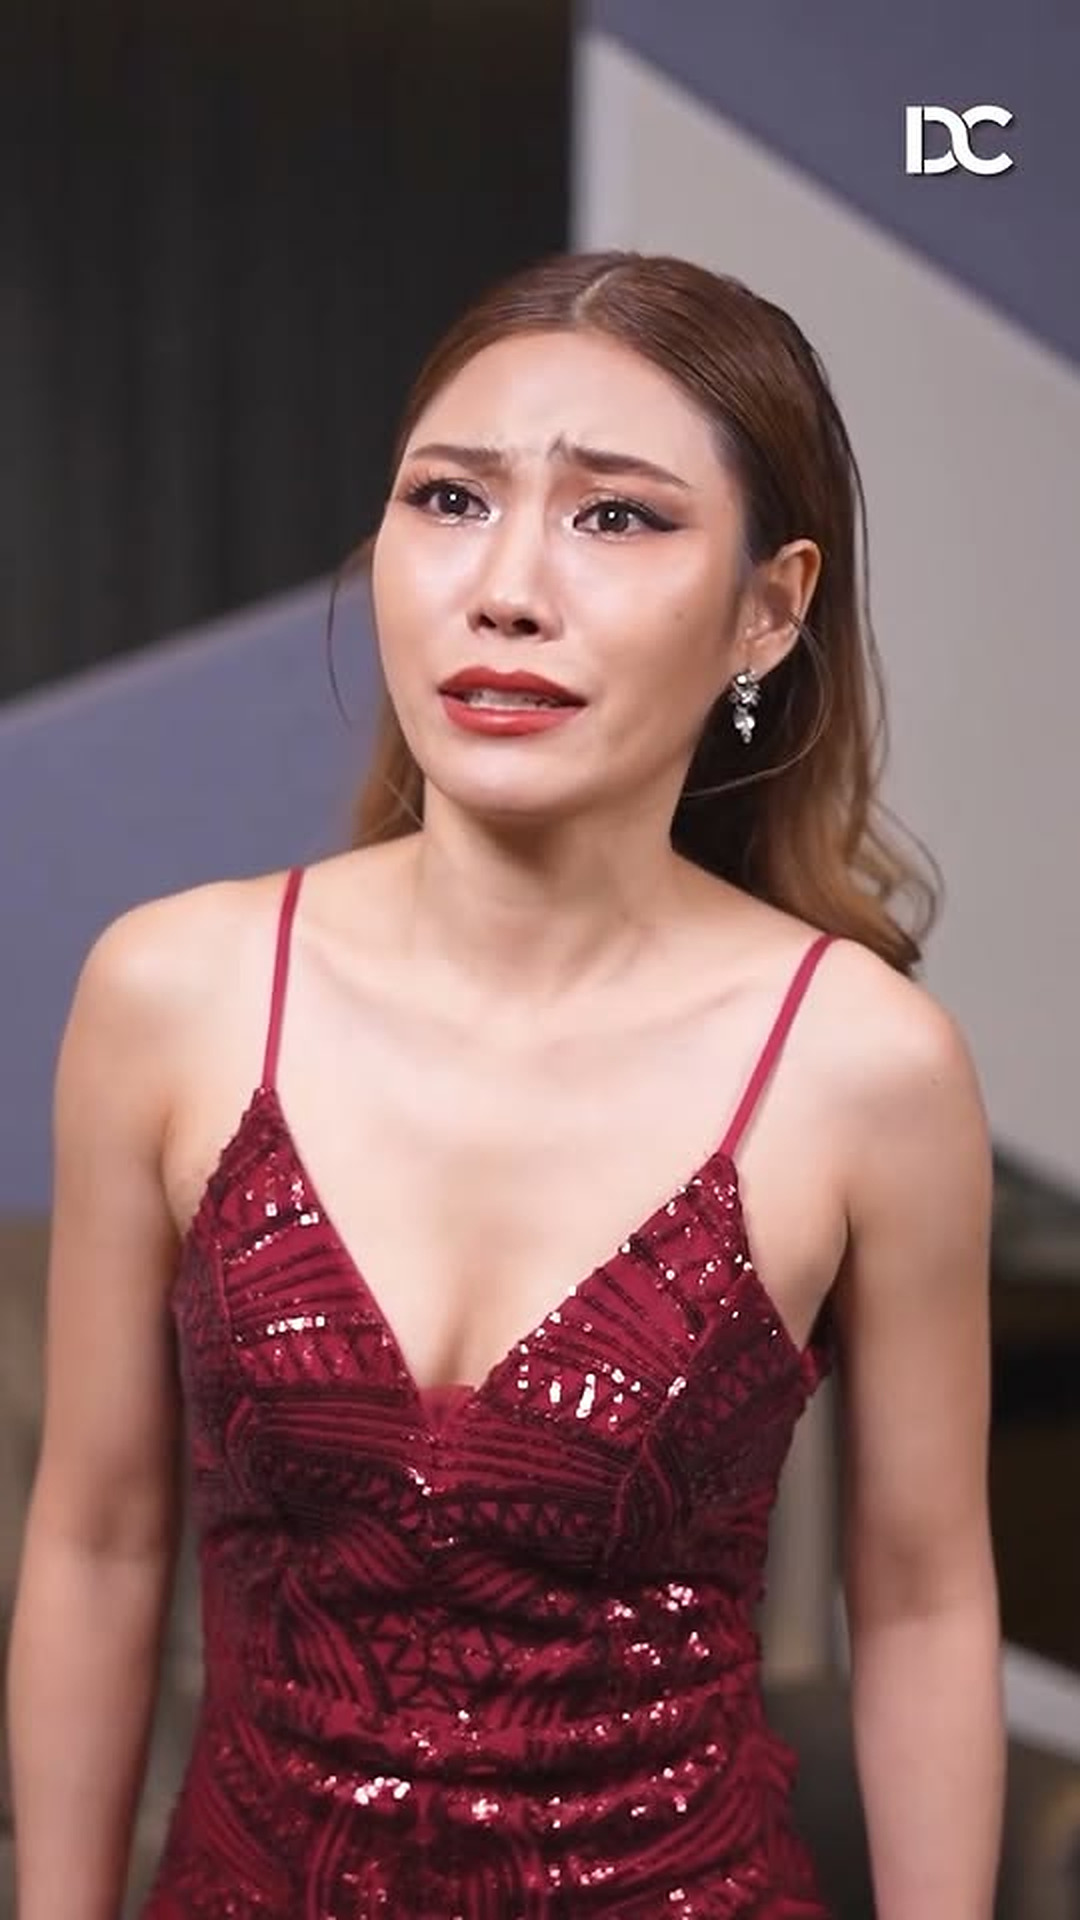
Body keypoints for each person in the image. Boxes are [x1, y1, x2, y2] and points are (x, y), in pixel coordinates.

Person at [8, 250, 1004, 1918]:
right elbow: (98, 1542)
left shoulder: (864, 1069)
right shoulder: (172, 993)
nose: (508, 588)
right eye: (452, 499)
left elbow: (919, 1604)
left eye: (616, 516)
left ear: (769, 608)